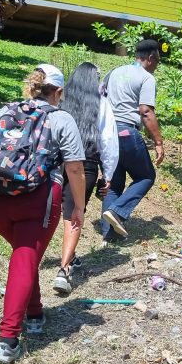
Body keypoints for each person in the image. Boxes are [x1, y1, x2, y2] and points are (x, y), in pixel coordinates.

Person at [0, 64, 89, 364]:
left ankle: (34, 314)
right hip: (37, 202)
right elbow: (74, 168)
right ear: (58, 91)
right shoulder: (61, 119)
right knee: (24, 258)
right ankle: (8, 340)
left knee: (25, 257)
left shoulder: (2, 113)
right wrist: (80, 207)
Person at [51, 62, 119, 294]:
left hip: (55, 163)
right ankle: (64, 269)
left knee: (51, 213)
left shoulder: (60, 100)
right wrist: (108, 175)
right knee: (74, 215)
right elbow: (109, 141)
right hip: (85, 165)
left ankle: (53, 258)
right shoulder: (102, 104)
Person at [100, 39, 166, 242]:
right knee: (146, 176)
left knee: (114, 182)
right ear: (151, 58)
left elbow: (100, 98)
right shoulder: (146, 78)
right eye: (158, 62)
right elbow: (145, 111)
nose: (156, 66)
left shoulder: (114, 72)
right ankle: (118, 212)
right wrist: (158, 142)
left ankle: (109, 235)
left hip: (107, 133)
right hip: (127, 133)